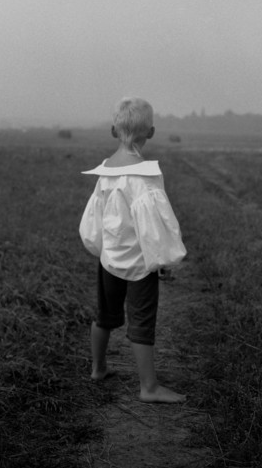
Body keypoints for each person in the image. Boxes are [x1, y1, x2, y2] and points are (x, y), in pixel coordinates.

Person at [79, 97, 187, 403]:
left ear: (114, 130)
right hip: (139, 263)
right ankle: (148, 387)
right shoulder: (145, 176)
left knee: (104, 315)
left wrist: (101, 248)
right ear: (150, 132)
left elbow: (95, 218)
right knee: (141, 321)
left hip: (109, 259)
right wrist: (162, 260)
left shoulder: (105, 171)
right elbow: (152, 226)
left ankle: (98, 367)